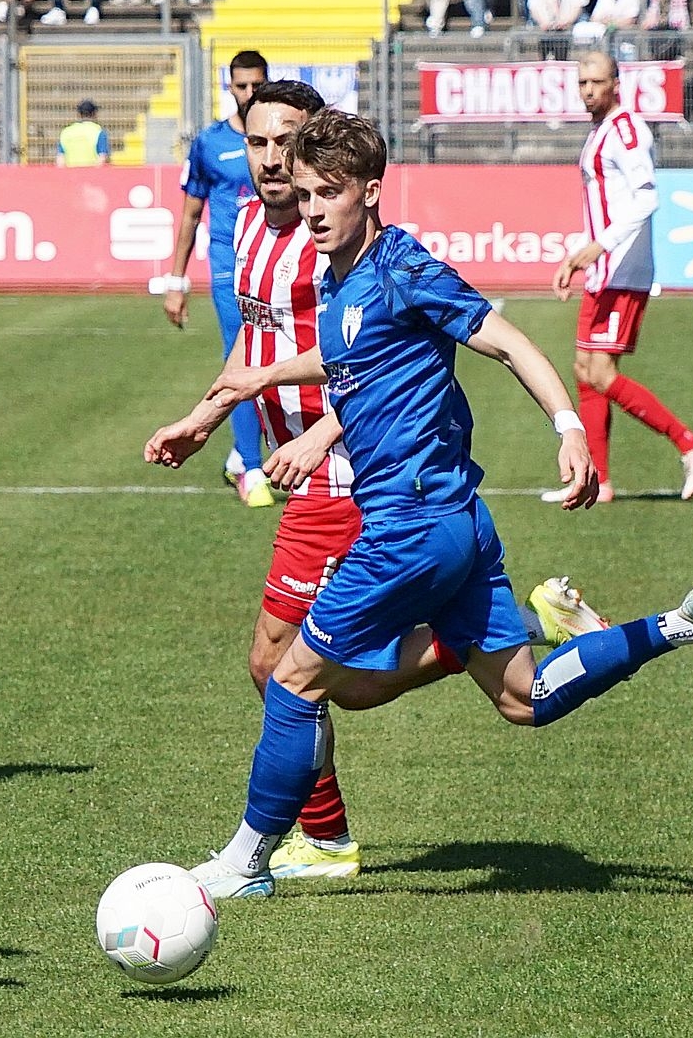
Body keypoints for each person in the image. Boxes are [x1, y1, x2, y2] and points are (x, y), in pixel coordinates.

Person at [145, 107, 693, 901]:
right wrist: (261, 380)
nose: (312, 209)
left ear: (371, 191)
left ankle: (246, 862)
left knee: (291, 682)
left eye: (330, 193)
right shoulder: (339, 272)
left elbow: (508, 341)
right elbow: (357, 351)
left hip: (408, 528)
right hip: (458, 522)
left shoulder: (404, 266)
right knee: (527, 698)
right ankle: (682, 623)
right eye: (307, 193)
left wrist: (568, 427)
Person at [149, 84, 536, 884]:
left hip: (349, 475)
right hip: (304, 468)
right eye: (258, 143)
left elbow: (369, 360)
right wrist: (205, 417)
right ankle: (481, 638)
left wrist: (324, 435)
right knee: (313, 674)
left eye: (286, 142)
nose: (271, 160)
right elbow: (258, 345)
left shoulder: (333, 244)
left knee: (285, 668)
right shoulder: (251, 226)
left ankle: (317, 840)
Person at [546, 52, 693, 504]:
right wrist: (575, 256)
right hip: (604, 267)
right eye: (582, 83)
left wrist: (599, 247)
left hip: (623, 269)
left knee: (599, 372)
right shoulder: (600, 131)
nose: (588, 91)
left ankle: (690, 444)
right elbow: (605, 205)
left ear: (616, 84)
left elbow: (646, 198)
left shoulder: (626, 130)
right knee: (585, 371)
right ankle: (598, 481)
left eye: (597, 82)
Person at [163, 49, 269, 506]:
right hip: (229, 264)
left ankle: (242, 454)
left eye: (256, 85)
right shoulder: (210, 143)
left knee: (285, 356)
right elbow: (190, 214)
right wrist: (176, 280)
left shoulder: (281, 140)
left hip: (277, 257)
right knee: (240, 360)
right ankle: (252, 467)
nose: (249, 93)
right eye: (241, 85)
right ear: (230, 87)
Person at [56, 97, 110, 165]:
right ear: (94, 114)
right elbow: (102, 158)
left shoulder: (66, 132)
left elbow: (60, 159)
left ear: (79, 114)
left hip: (71, 171)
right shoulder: (99, 132)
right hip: (92, 170)